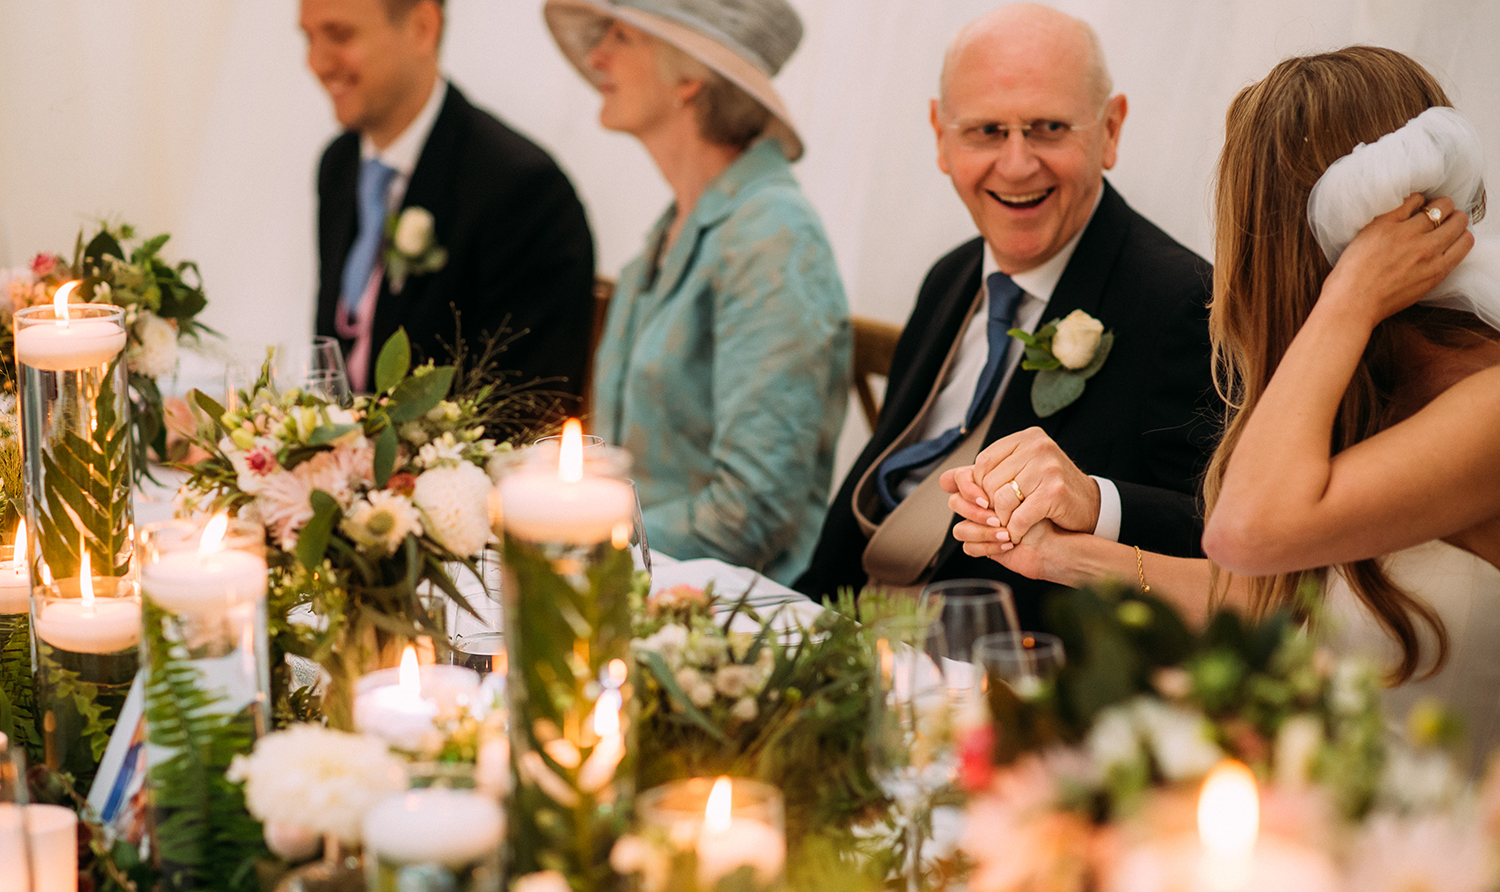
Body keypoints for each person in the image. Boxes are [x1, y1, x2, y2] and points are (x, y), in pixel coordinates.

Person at [945, 48, 1500, 765]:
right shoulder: (1353, 392)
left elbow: (1243, 533)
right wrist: (1061, 556)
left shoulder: (1485, 405)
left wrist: (1348, 297)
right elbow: (1267, 597)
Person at [795, 4, 1218, 626]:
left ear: (1111, 130)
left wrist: (1097, 502)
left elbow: (1223, 533)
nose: (1016, 165)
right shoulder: (952, 275)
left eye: (1048, 128)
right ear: (941, 136)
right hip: (839, 623)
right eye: (986, 131)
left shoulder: (1180, 300)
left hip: (1000, 671)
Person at [544, 0, 851, 585]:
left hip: (732, 618)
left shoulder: (774, 236)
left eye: (622, 36)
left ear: (690, 77)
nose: (596, 55)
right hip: (638, 583)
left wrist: (576, 542)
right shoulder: (667, 236)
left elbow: (751, 513)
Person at [305, 0, 596, 400]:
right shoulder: (339, 164)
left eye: (340, 35)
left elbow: (525, 407)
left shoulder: (525, 192)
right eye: (309, 37)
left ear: (423, 27)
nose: (317, 63)